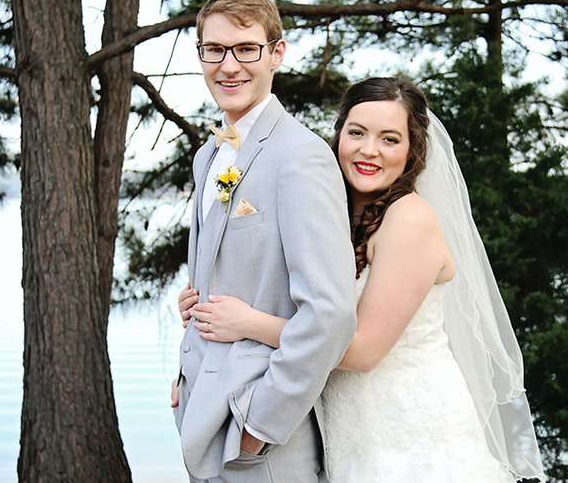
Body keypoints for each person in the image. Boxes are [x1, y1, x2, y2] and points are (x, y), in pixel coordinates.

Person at [180, 77, 546, 482]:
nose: (369, 150)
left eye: (389, 139)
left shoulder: (410, 219)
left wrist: (248, 323)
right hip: (345, 431)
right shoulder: (333, 209)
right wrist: (203, 307)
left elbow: (364, 350)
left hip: (407, 433)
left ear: (412, 150)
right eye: (357, 133)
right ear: (339, 136)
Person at [170, 0, 357, 483]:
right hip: (203, 413)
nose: (228, 66)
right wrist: (189, 363)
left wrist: (261, 424)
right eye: (214, 50)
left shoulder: (301, 156)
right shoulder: (208, 156)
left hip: (263, 440)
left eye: (245, 49)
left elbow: (330, 312)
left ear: (276, 53)